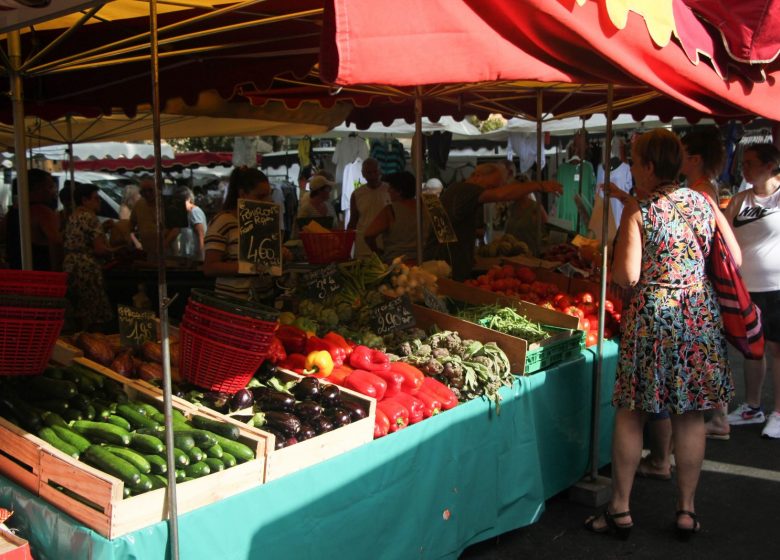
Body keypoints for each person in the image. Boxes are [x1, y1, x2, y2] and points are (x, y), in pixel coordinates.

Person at [584, 129, 740, 540]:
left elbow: (626, 275)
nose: (632, 169)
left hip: (653, 316)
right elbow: (735, 257)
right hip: (698, 314)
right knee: (690, 414)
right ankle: (686, 510)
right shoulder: (703, 201)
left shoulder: (640, 209)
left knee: (632, 412)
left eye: (635, 162)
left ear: (651, 167)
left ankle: (620, 508)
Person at [711, 143, 780, 439]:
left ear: (770, 166)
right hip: (744, 288)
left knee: (777, 350)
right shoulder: (739, 200)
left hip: (776, 286)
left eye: (751, 163)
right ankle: (753, 406)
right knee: (753, 350)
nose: (744, 168)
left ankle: (778, 412)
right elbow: (725, 239)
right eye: (744, 163)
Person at [423, 163, 562, 281]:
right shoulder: (467, 190)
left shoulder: (455, 190)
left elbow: (444, 229)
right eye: (491, 186)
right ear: (477, 177)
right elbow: (500, 195)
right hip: (443, 269)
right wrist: (539, 185)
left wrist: (466, 254)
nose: (492, 190)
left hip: (442, 263)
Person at [203, 167, 272, 301]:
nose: (267, 201)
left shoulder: (264, 222)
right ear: (243, 194)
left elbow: (266, 259)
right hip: (234, 304)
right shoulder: (224, 222)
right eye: (260, 196)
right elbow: (210, 267)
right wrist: (251, 268)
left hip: (264, 300)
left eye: (268, 195)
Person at [63, 183, 114, 331]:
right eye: (96, 198)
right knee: (93, 311)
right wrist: (113, 251)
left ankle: (80, 337)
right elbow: (99, 249)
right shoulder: (90, 217)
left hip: (69, 265)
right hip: (86, 267)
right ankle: (92, 339)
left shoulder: (73, 216)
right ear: (85, 200)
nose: (99, 202)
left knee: (78, 309)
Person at [4, 168, 62, 270]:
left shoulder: (12, 213)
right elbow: (55, 243)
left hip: (15, 271)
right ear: (37, 188)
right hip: (40, 272)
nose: (53, 191)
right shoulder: (43, 212)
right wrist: (57, 270)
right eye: (50, 187)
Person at [364, 171, 418, 263]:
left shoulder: (391, 210)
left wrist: (377, 252)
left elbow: (368, 235)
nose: (388, 191)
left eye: (391, 188)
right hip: (424, 261)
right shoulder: (426, 208)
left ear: (399, 192)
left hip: (397, 265)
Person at [347, 158, 391, 258]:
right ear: (363, 174)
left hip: (385, 243)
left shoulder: (389, 190)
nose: (372, 175)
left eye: (375, 171)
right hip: (363, 245)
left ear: (380, 171)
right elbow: (353, 220)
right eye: (368, 172)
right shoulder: (357, 194)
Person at [129, 176, 179, 260]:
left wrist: (163, 245)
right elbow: (131, 225)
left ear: (157, 189)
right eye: (143, 191)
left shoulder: (169, 203)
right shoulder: (139, 204)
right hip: (148, 251)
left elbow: (176, 229)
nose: (147, 193)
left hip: (167, 252)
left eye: (150, 190)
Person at [503, 173, 549, 257]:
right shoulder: (510, 208)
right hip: (512, 255)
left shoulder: (536, 208)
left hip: (531, 255)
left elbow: (546, 232)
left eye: (514, 189)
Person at [175, 187, 207, 260]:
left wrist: (201, 256)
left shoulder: (194, 212)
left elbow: (201, 235)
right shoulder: (186, 213)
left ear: (188, 199)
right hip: (188, 257)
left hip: (195, 258)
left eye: (181, 202)